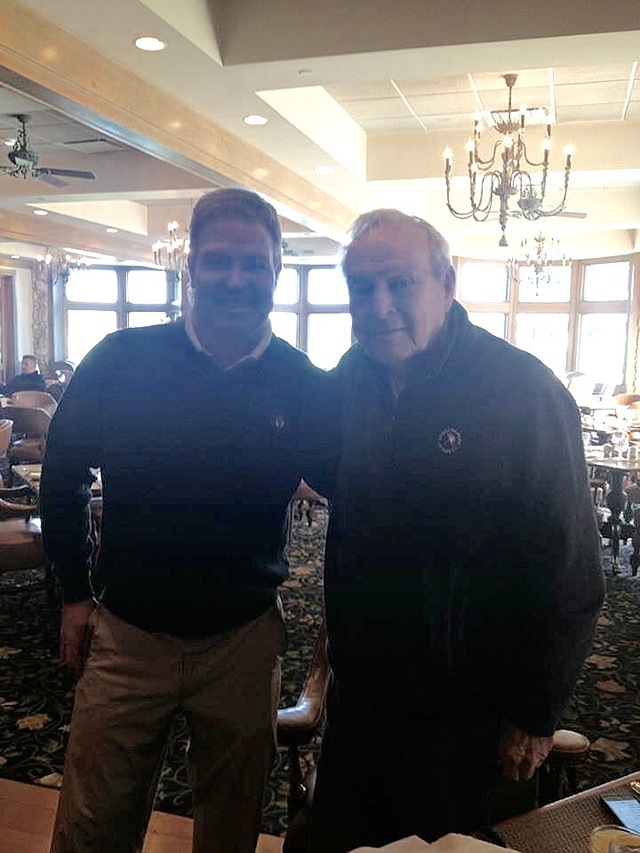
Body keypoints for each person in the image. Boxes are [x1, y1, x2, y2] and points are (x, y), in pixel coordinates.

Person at [40, 188, 337, 853]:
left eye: (253, 264)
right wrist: (74, 593)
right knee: (90, 829)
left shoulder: (304, 383)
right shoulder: (120, 359)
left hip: (243, 639)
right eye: (221, 261)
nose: (237, 278)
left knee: (230, 833)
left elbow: (357, 491)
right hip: (126, 635)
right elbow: (62, 473)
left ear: (276, 271)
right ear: (191, 267)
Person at [308, 210, 605, 850]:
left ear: (446, 280)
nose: (379, 305)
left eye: (399, 283)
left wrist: (535, 712)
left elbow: (572, 570)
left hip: (470, 719)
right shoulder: (350, 381)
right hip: (361, 705)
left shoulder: (522, 391)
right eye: (363, 288)